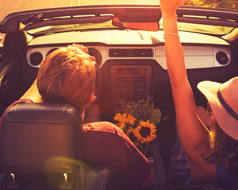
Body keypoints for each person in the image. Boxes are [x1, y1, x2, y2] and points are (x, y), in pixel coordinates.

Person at [151, 0, 238, 188]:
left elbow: (178, 78)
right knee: (198, 110)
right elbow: (177, 79)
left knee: (195, 113)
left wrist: (169, 14)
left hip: (188, 181)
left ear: (215, 117)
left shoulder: (199, 150)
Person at [2, 44, 154, 188]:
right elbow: (147, 180)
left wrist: (54, 65)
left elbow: (27, 98)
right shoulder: (108, 137)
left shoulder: (10, 125)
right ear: (91, 97)